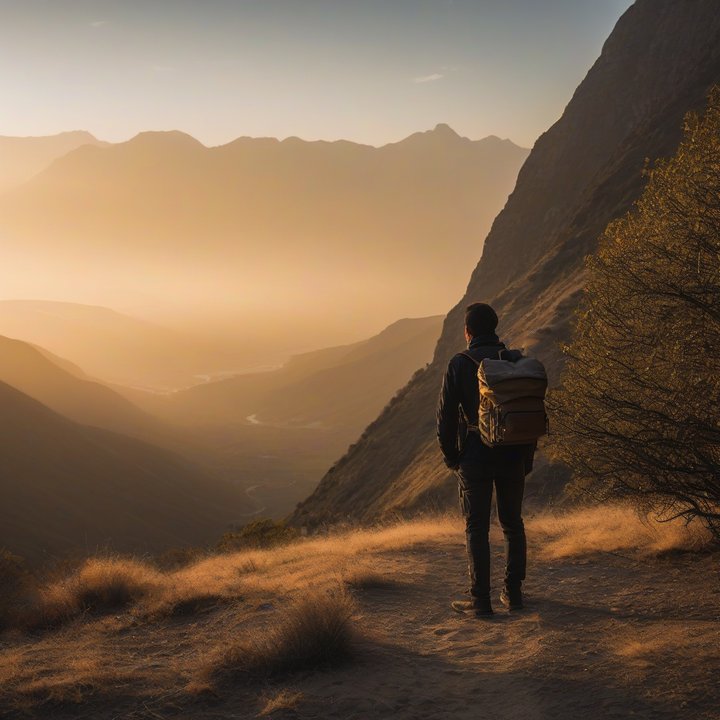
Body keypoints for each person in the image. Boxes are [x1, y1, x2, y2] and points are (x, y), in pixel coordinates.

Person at [436, 302, 532, 617]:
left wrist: (453, 458)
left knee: (476, 527)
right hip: (513, 452)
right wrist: (525, 458)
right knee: (512, 524)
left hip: (475, 455)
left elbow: (446, 418)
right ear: (495, 328)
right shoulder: (516, 361)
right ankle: (514, 594)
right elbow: (526, 411)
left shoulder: (460, 363)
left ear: (468, 332)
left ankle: (480, 602)